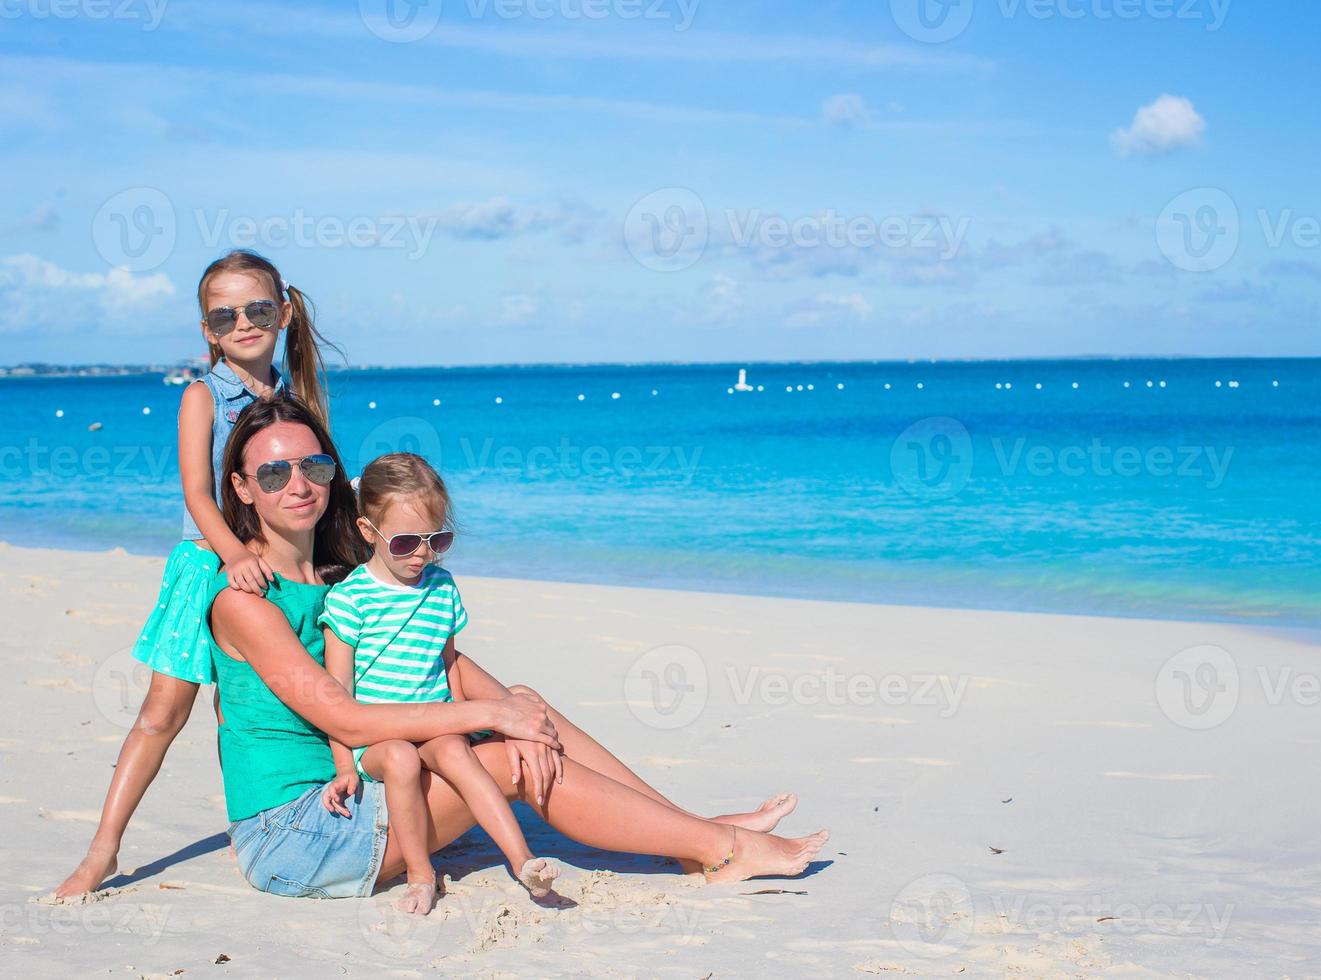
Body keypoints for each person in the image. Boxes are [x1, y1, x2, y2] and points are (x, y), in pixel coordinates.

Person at [208, 395, 828, 901]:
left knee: (530, 710)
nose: (297, 483)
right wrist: (492, 718)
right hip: (300, 833)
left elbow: (445, 659)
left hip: (369, 785)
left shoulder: (339, 576)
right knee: (503, 757)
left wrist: (515, 709)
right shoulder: (246, 602)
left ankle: (689, 829)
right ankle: (724, 849)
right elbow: (340, 715)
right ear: (241, 488)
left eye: (312, 467)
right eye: (272, 472)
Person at [55, 250, 339, 898]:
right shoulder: (201, 394)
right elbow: (197, 491)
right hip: (208, 565)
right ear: (208, 330)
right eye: (226, 314)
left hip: (272, 570)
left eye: (259, 309)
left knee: (240, 712)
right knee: (162, 714)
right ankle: (102, 851)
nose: (245, 323)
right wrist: (233, 555)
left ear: (284, 314)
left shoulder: (293, 400)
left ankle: (261, 818)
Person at [320, 452, 560, 913]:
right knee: (401, 756)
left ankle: (522, 859)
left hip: (436, 722)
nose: (422, 554)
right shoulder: (350, 599)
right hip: (377, 737)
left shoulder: (442, 587)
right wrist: (345, 766)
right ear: (368, 532)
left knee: (454, 750)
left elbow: (448, 663)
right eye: (407, 541)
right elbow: (337, 696)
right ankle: (420, 874)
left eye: (437, 539)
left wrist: (465, 721)